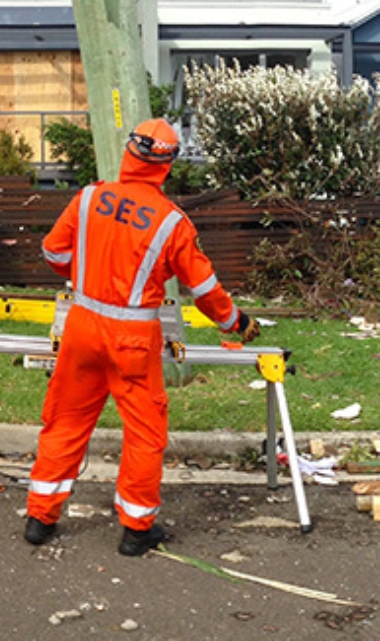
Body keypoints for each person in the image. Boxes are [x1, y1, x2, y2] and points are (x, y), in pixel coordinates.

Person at [25, 118, 261, 556]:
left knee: (66, 421)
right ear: (166, 165)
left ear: (129, 153)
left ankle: (41, 517)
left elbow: (54, 251)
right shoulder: (172, 223)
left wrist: (85, 271)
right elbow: (205, 289)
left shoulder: (89, 197)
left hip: (81, 327)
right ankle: (136, 529)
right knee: (144, 432)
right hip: (133, 338)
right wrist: (236, 324)